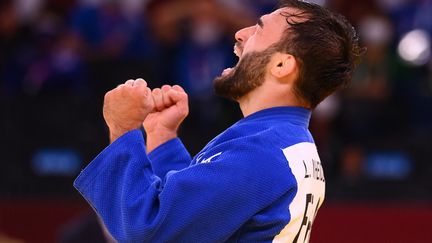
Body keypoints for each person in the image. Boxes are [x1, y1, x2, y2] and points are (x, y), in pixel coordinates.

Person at [74, 0, 363, 242]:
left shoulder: (262, 150)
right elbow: (194, 220)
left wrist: (122, 129)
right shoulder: (286, 141)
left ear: (281, 65)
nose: (239, 33)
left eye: (258, 30)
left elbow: (148, 231)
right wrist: (163, 136)